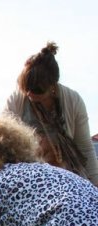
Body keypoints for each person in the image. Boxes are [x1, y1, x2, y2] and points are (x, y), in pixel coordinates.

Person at [5, 42, 98, 185]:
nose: (29, 93)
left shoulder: (73, 101)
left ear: (52, 87)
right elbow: (3, 145)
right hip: (26, 180)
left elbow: (85, 148)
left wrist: (95, 185)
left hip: (66, 179)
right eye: (25, 87)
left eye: (37, 90)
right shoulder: (15, 101)